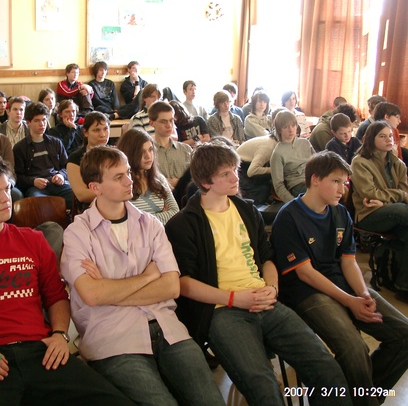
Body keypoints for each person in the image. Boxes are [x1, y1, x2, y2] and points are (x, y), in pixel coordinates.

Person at [0, 152, 135, 406]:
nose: (6, 198)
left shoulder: (32, 240)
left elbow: (56, 297)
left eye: (6, 189)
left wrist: (60, 334)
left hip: (39, 352)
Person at [164, 143, 351, 406]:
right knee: (262, 385)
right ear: (206, 182)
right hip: (222, 309)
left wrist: (272, 288)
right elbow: (184, 284)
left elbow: (267, 257)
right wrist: (234, 298)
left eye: (235, 169)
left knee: (325, 367)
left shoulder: (246, 210)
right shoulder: (184, 223)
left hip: (265, 300)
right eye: (225, 174)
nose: (235, 177)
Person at [61, 146, 225, 406]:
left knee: (211, 401)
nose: (130, 180)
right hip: (113, 338)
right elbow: (91, 295)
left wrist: (109, 291)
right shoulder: (77, 233)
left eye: (128, 172)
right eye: (119, 177)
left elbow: (171, 288)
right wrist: (148, 277)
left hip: (167, 328)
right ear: (95, 187)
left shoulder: (151, 225)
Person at [272, 151, 408, 406]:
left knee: (404, 335)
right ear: (315, 179)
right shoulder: (289, 217)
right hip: (307, 292)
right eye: (335, 181)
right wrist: (350, 301)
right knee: (354, 347)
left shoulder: (340, 213)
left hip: (340, 282)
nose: (342, 189)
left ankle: (358, 399)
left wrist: (363, 295)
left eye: (344, 182)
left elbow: (348, 261)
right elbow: (305, 273)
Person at [350, 121, 408, 279]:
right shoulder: (360, 162)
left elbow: (405, 192)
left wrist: (385, 202)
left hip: (392, 211)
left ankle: (402, 284)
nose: (389, 139)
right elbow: (370, 193)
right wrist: (397, 197)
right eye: (382, 136)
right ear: (371, 139)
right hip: (369, 214)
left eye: (390, 136)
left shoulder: (398, 163)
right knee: (401, 209)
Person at [13, 102, 73, 205]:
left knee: (76, 195)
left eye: (44, 120)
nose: (42, 124)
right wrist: (33, 181)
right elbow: (18, 176)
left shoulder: (56, 142)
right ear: (28, 123)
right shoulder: (20, 148)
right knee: (39, 203)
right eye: (37, 121)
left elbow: (66, 166)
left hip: (57, 183)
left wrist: (61, 175)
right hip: (36, 187)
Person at [117, 128, 178, 225]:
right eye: (142, 152)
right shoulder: (122, 183)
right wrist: (162, 216)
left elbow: (175, 213)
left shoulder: (159, 179)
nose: (148, 156)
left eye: (150, 150)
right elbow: (127, 222)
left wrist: (143, 219)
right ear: (130, 154)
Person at [149, 101, 192, 205]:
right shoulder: (147, 152)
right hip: (159, 202)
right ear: (152, 123)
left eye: (171, 120)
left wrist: (179, 182)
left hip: (186, 201)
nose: (169, 125)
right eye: (163, 122)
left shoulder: (186, 149)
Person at [67, 112, 110, 212]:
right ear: (85, 132)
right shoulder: (75, 158)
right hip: (88, 208)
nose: (102, 134)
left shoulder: (116, 155)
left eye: (105, 129)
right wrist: (113, 191)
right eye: (96, 130)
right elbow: (82, 195)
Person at [270, 110, 315, 203]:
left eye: (293, 126)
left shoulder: (305, 142)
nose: (291, 130)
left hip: (314, 179)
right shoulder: (277, 153)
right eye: (286, 127)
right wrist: (293, 203)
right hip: (298, 184)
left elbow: (318, 164)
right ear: (279, 130)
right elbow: (278, 185)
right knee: (320, 196)